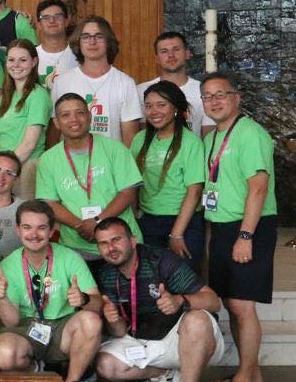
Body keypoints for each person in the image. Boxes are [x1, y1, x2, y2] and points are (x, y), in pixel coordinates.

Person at [200, 73, 276, 382]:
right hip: (221, 228)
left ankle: (244, 376)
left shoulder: (251, 133)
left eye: (221, 94)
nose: (214, 101)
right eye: (207, 96)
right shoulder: (211, 138)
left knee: (243, 305)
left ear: (237, 97)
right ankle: (251, 374)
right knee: (231, 303)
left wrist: (245, 236)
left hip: (249, 227)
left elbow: (258, 188)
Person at [92, 218, 225, 382]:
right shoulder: (106, 273)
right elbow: (119, 332)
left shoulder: (161, 261)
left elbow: (213, 301)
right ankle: (165, 373)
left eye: (116, 240)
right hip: (143, 340)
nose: (111, 248)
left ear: (133, 241)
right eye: (103, 243)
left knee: (197, 320)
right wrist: (113, 320)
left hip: (182, 342)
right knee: (106, 365)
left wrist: (179, 300)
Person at [0, 200, 103, 381]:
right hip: (26, 327)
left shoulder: (70, 257)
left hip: (63, 327)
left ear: (51, 231)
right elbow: (12, 323)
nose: (34, 234)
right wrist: (3, 299)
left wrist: (85, 299)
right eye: (27, 227)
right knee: (4, 352)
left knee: (91, 321)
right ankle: (37, 371)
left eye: (41, 228)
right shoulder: (7, 265)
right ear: (18, 230)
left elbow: (98, 306)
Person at [36, 92, 142, 261]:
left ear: (90, 116)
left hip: (121, 245)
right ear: (56, 122)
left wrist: (98, 222)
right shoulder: (48, 159)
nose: (74, 119)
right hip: (74, 247)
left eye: (80, 113)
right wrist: (81, 226)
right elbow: (50, 202)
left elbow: (127, 192)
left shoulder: (115, 149)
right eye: (65, 115)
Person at [131, 81, 205, 271]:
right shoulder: (139, 140)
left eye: (161, 105)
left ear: (175, 108)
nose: (154, 111)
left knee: (183, 280)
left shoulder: (191, 142)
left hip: (184, 223)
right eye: (148, 106)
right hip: (149, 222)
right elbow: (132, 186)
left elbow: (195, 191)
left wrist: (176, 234)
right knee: (152, 282)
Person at [50, 16, 142, 145]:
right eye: (86, 37)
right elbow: (55, 132)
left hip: (111, 156)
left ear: (108, 42)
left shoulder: (126, 83)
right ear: (78, 42)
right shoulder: (62, 82)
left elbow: (130, 140)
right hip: (71, 156)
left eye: (99, 36)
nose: (92, 42)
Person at [0, 40, 50, 200]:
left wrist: (6, 170)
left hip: (25, 167)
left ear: (34, 62)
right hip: (6, 169)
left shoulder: (38, 95)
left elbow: (29, 144)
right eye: (11, 60)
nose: (16, 65)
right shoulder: (4, 98)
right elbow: (0, 140)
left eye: (23, 60)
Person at [137, 32, 214, 136]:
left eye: (176, 49)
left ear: (187, 53)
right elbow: (143, 134)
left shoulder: (203, 90)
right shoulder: (141, 90)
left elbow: (209, 136)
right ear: (157, 58)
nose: (171, 55)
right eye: (164, 51)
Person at [33, 0, 78, 87]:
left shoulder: (79, 55)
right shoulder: (31, 56)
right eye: (46, 17)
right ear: (39, 24)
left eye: (58, 16)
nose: (52, 21)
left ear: (66, 21)